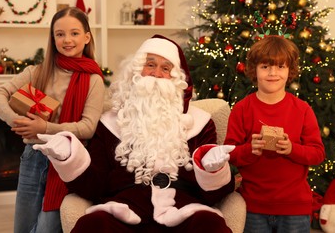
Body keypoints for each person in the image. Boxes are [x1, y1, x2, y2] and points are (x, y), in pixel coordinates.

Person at [32, 34, 236, 232]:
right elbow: (93, 187)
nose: (156, 73)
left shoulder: (201, 123)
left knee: (210, 225)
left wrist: (212, 171)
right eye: (150, 65)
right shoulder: (109, 123)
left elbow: (214, 196)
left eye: (165, 68)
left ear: (177, 79)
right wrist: (69, 157)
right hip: (124, 210)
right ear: (136, 71)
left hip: (183, 211)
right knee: (93, 225)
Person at [0, 7, 105, 233]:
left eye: (74, 33)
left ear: (87, 37)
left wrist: (44, 128)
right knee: (22, 229)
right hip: (33, 158)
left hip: (66, 163)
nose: (67, 40)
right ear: (53, 38)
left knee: (45, 229)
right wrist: (19, 123)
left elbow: (88, 127)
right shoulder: (38, 71)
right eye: (59, 34)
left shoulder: (93, 80)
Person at [224, 35, 325, 233]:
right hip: (253, 206)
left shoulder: (302, 110)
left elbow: (318, 154)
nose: (273, 73)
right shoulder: (242, 109)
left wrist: (291, 149)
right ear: (254, 70)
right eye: (265, 67)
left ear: (290, 70)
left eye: (280, 67)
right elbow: (230, 153)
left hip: (294, 207)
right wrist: (249, 150)